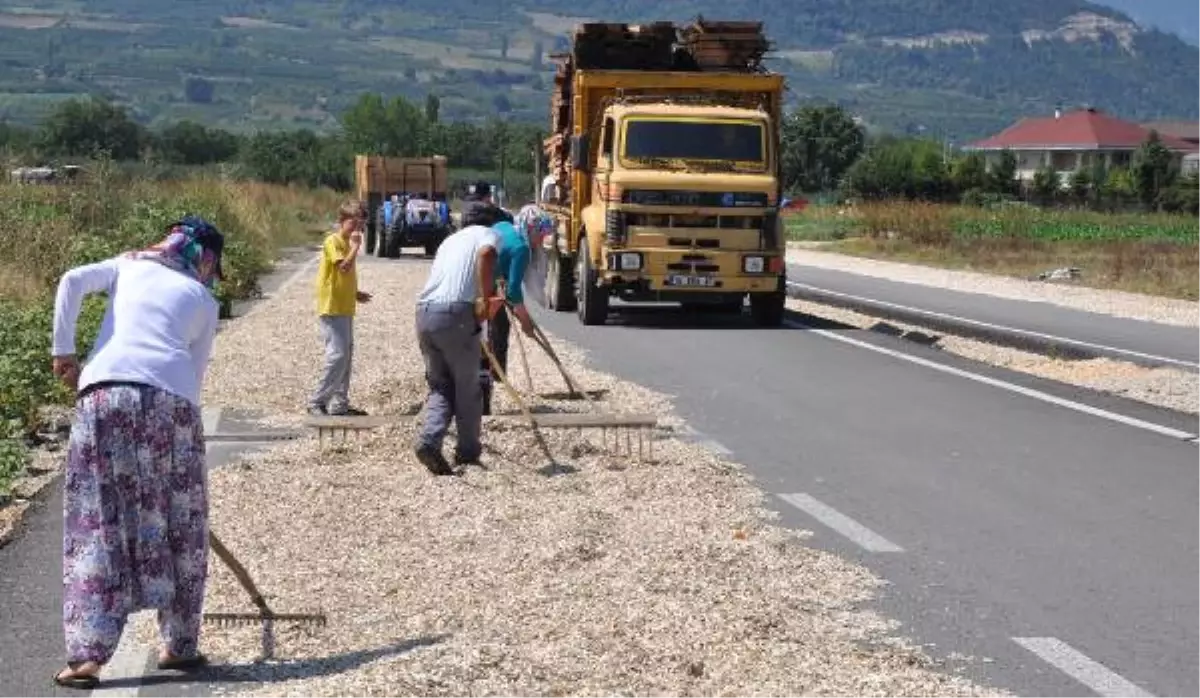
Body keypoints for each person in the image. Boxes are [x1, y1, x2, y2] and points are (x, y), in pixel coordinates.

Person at [48, 217, 225, 690]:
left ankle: (87, 658)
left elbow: (71, 281)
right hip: (173, 404)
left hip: (103, 395)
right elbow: (195, 371)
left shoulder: (128, 266)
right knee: (183, 521)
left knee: (98, 522)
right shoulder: (205, 300)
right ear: (205, 261)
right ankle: (180, 644)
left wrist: (64, 353)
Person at [413, 222, 502, 475]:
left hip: (424, 312)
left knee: (440, 385)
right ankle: (467, 451)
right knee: (467, 387)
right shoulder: (488, 234)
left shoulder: (449, 241)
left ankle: (429, 440)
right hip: (455, 314)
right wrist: (486, 300)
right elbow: (486, 255)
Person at [308, 200, 373, 417]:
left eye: (360, 226)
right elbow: (343, 268)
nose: (357, 230)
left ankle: (339, 404)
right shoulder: (333, 241)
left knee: (346, 356)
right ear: (341, 221)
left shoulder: (347, 243)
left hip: (345, 307)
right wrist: (355, 247)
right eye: (353, 225)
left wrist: (356, 294)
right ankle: (317, 401)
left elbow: (342, 277)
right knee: (337, 355)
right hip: (332, 307)